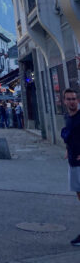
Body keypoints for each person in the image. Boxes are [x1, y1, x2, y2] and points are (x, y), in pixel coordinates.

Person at [61, 89, 80, 246]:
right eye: (69, 99)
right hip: (73, 163)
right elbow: (70, 136)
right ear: (64, 101)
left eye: (74, 98)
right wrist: (68, 149)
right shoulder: (68, 117)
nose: (72, 101)